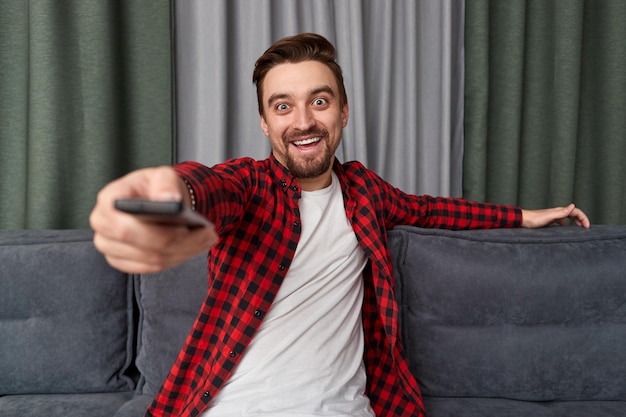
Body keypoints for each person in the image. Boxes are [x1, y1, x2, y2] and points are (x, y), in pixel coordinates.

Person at [90, 33, 590, 417]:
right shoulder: (250, 186)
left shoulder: (365, 193)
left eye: (319, 101)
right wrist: (168, 199)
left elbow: (432, 209)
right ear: (265, 123)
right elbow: (208, 189)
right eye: (282, 105)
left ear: (343, 112)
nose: (303, 120)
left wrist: (525, 216)